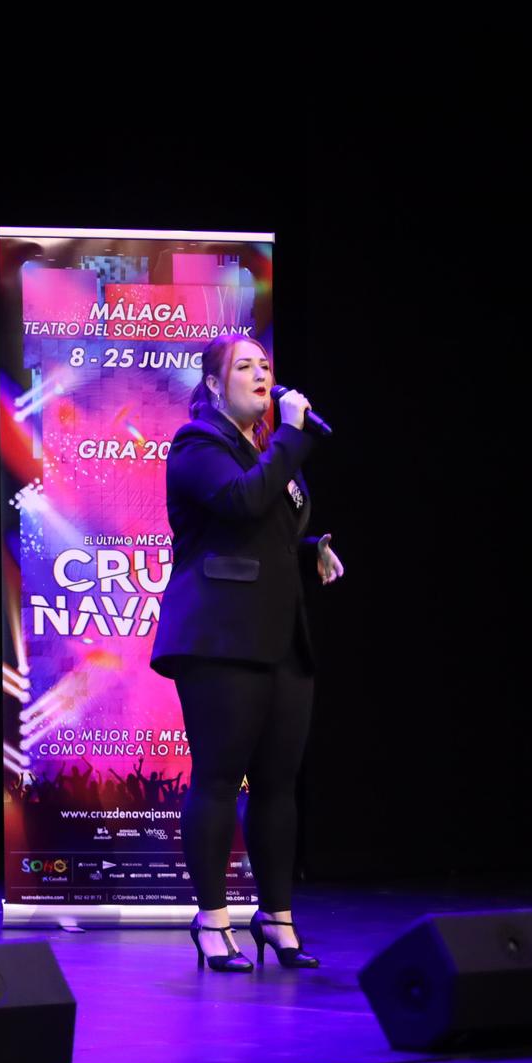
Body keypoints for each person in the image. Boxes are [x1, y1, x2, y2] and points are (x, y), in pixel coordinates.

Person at [151, 334, 343, 971]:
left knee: (278, 784)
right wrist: (291, 437)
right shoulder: (197, 444)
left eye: (267, 364)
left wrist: (307, 545)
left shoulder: (267, 449)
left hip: (281, 636)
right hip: (221, 637)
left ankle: (276, 915)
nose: (263, 374)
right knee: (216, 778)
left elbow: (269, 524)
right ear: (213, 383)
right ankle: (211, 918)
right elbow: (239, 503)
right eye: (246, 366)